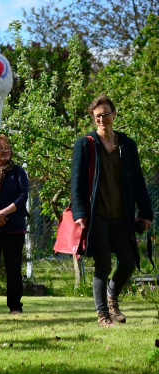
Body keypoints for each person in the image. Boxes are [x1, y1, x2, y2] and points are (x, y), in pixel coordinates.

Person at [71, 93, 153, 327]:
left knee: (128, 262)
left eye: (106, 114)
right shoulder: (84, 144)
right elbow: (76, 182)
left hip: (122, 215)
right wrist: (79, 214)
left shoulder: (127, 145)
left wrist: (146, 212)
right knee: (103, 264)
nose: (102, 119)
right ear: (92, 118)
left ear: (114, 115)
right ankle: (102, 315)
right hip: (97, 216)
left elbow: (138, 180)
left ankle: (112, 298)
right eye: (97, 116)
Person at [0, 134, 29, 314]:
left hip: (14, 226)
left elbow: (22, 196)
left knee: (13, 269)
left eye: (7, 147)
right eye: (1, 148)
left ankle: (15, 306)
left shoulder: (18, 172)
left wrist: (3, 213)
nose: (6, 151)